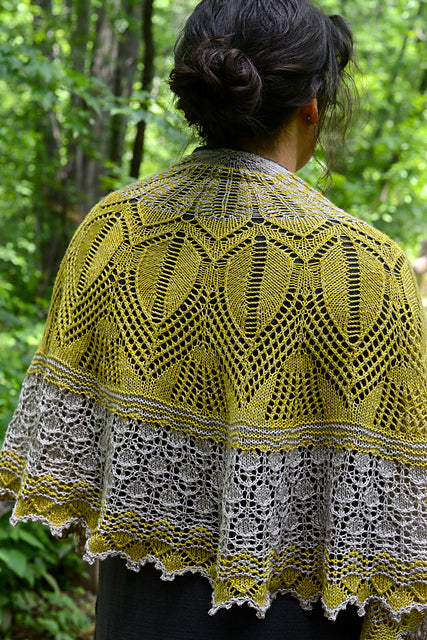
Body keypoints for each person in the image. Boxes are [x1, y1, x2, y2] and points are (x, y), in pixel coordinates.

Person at [0, 0, 426, 638]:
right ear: (312, 105)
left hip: (133, 616)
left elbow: (71, 469)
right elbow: (396, 538)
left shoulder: (111, 231)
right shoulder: (365, 269)